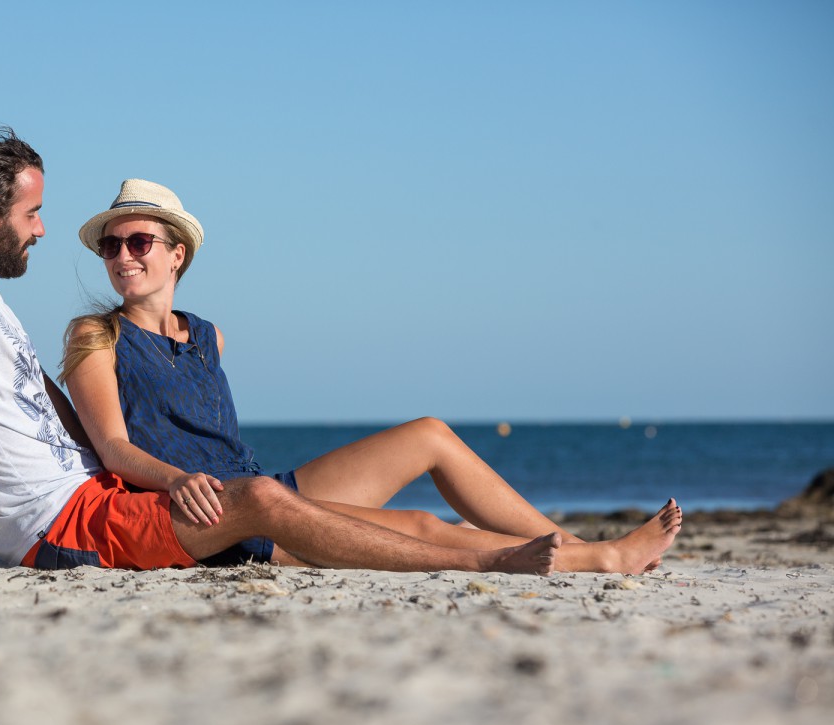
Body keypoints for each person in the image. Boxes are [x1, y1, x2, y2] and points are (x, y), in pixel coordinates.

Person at [0, 127, 566, 575]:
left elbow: (57, 413)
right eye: (32, 213)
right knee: (260, 500)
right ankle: (493, 565)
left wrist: (129, 469)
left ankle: (563, 551)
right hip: (65, 525)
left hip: (96, 499)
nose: (44, 229)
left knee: (311, 497)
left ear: (178, 252)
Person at [60, 178, 683, 573]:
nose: (121, 257)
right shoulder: (96, 337)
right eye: (109, 247)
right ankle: (600, 560)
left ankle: (575, 545)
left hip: (262, 488)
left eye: (137, 242)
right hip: (213, 514)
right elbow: (113, 448)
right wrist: (178, 481)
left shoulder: (207, 336)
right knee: (422, 527)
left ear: (176, 254)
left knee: (430, 433)